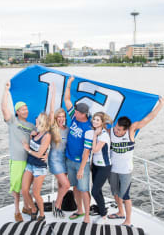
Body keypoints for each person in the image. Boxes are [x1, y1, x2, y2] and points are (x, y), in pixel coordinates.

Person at [108, 97, 164, 226]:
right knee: (115, 193)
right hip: (112, 169)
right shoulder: (110, 130)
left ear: (125, 129)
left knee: (125, 196)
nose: (116, 131)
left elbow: (149, 118)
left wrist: (160, 105)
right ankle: (120, 212)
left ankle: (127, 220)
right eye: (116, 128)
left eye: (119, 130)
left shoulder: (131, 131)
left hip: (126, 170)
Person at [1, 81, 35, 222]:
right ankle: (16, 210)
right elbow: (3, 108)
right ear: (17, 111)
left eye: (26, 109)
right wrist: (6, 91)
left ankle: (27, 207)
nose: (25, 111)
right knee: (16, 187)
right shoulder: (12, 121)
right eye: (22, 109)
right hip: (17, 159)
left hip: (30, 160)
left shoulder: (32, 125)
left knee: (27, 187)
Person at [63, 76, 92, 223]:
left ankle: (87, 215)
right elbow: (67, 100)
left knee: (84, 189)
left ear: (84, 114)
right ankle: (79, 210)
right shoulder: (74, 117)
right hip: (70, 160)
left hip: (81, 163)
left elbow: (87, 151)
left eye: (78, 112)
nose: (75, 113)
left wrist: (81, 168)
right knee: (75, 187)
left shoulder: (88, 128)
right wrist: (69, 84)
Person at [21, 112, 53, 221]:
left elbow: (39, 154)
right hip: (30, 164)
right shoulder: (35, 132)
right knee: (24, 190)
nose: (35, 119)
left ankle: (42, 214)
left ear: (41, 121)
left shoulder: (47, 136)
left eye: (37, 118)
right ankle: (34, 209)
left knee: (35, 193)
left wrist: (27, 149)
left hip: (39, 167)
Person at [48, 84, 70, 218]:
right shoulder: (53, 127)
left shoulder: (67, 129)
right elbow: (51, 112)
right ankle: (56, 205)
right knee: (66, 185)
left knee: (61, 184)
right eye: (59, 117)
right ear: (56, 118)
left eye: (63, 116)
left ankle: (59, 207)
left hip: (65, 160)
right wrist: (53, 93)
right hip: (55, 160)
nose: (61, 118)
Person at [86, 112, 112, 223]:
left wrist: (95, 135)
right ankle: (102, 211)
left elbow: (95, 150)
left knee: (94, 191)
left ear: (102, 122)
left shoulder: (104, 135)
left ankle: (103, 213)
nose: (95, 121)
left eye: (97, 120)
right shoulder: (95, 132)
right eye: (94, 119)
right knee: (98, 190)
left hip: (104, 167)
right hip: (95, 166)